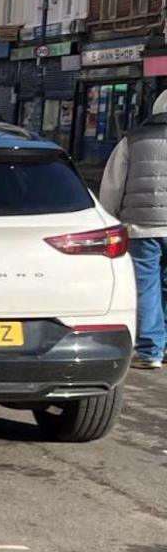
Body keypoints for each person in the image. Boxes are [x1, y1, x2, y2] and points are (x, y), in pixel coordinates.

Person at [100, 88, 167, 369]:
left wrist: (110, 218)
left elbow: (113, 184)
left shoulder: (132, 140)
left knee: (147, 287)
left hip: (142, 228)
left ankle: (151, 350)